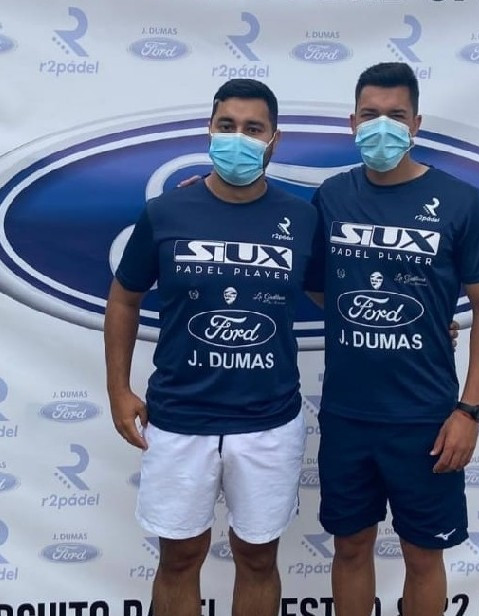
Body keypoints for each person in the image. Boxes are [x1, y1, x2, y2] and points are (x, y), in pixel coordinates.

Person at [104, 78, 318, 616]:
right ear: (209, 130)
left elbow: (334, 294)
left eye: (253, 128)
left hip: (269, 421)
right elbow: (124, 299)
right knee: (179, 559)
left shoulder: (302, 218)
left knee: (258, 559)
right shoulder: (166, 212)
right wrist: (117, 390)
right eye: (227, 126)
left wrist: (428, 322)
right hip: (180, 416)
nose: (238, 138)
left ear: (274, 140)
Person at [305, 62, 479, 616]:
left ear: (416, 123)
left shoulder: (461, 201)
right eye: (370, 114)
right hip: (347, 414)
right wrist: (382, 316)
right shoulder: (332, 197)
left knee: (422, 555)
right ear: (352, 122)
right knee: (350, 547)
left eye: (395, 115)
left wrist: (469, 410)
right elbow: (319, 286)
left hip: (426, 417)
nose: (382, 126)